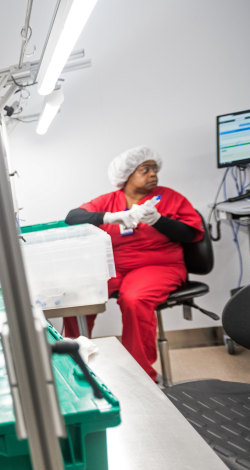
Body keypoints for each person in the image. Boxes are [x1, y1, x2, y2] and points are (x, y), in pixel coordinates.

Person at [62, 146, 203, 381]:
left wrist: (159, 220)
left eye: (155, 169)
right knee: (78, 295)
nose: (153, 175)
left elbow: (191, 233)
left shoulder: (170, 198)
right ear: (126, 175)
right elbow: (72, 218)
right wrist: (108, 217)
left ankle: (140, 374)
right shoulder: (109, 201)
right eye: (145, 169)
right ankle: (76, 361)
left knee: (135, 299)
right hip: (114, 267)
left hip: (159, 266)